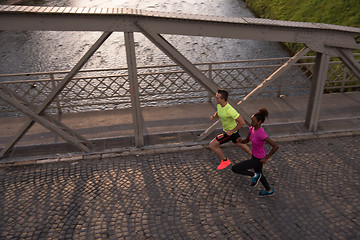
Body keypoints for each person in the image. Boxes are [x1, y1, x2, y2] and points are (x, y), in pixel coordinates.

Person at [231, 108, 279, 197]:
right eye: (251, 119)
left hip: (259, 158)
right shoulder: (252, 128)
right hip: (254, 156)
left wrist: (266, 158)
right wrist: (241, 141)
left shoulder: (261, 134)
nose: (251, 121)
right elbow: (247, 140)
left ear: (259, 122)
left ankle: (254, 175)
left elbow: (275, 146)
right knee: (260, 174)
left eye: (253, 120)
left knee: (235, 168)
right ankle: (269, 190)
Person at [209, 89, 252, 170]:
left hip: (229, 132)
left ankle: (225, 161)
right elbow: (219, 113)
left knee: (212, 145)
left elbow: (242, 122)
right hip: (231, 132)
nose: (215, 99)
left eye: (217, 98)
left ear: (223, 99)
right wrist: (214, 116)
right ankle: (253, 156)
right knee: (239, 143)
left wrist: (231, 131)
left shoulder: (230, 110)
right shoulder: (219, 105)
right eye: (215, 97)